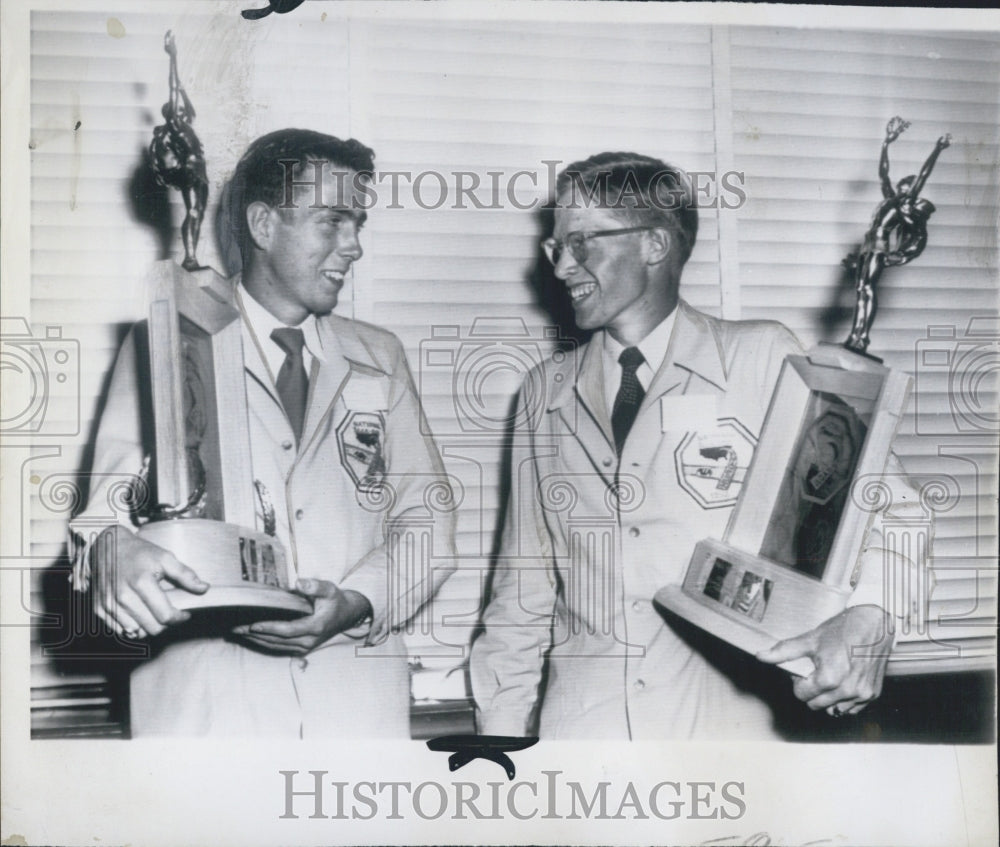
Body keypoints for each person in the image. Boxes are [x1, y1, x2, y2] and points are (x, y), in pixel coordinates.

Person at [470, 152, 923, 740]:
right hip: (587, 744)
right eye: (556, 248)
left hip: (728, 736)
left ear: (654, 245)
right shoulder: (543, 392)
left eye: (582, 243)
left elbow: (897, 508)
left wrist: (870, 616)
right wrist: (499, 742)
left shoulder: (761, 357)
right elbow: (521, 594)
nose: (562, 268)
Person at [70, 129, 455, 737]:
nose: (353, 246)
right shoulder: (171, 340)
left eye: (359, 223)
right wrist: (116, 553)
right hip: (209, 713)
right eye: (332, 221)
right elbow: (103, 521)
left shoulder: (380, 355)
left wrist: (354, 604)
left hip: (353, 711)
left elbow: (428, 525)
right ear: (263, 223)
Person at [845, 116, 951, 353]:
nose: (905, 185)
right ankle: (856, 335)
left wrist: (937, 149)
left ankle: (861, 337)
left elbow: (923, 176)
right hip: (869, 243)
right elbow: (883, 174)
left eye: (908, 185)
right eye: (904, 183)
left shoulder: (905, 205)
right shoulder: (890, 199)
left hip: (880, 245)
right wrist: (886, 143)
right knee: (861, 289)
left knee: (867, 288)